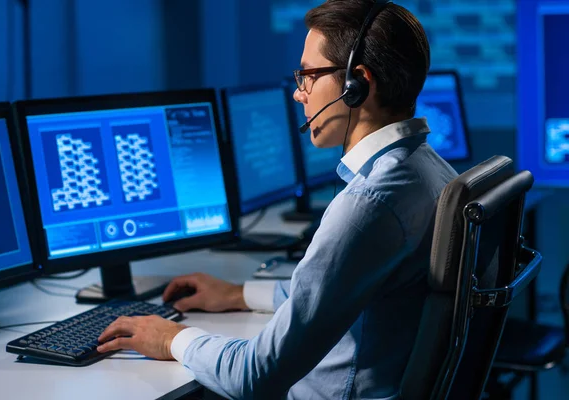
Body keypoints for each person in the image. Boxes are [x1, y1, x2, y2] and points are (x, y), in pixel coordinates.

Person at [97, 0, 458, 398]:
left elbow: (257, 376)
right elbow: (331, 292)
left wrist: (173, 339)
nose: (298, 94)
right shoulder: (431, 170)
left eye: (307, 76)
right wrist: (237, 295)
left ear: (357, 86)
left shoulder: (368, 203)